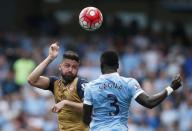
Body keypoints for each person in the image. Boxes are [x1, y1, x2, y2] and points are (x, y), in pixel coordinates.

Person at [82, 50, 182, 131]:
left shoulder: (90, 87)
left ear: (101, 66)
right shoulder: (129, 83)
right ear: (117, 66)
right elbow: (149, 102)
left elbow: (86, 119)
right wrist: (171, 87)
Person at [27, 42, 88, 131]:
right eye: (67, 66)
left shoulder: (81, 83)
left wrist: (66, 102)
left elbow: (89, 107)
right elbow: (31, 80)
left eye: (74, 67)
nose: (70, 69)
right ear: (60, 67)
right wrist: (50, 58)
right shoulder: (54, 83)